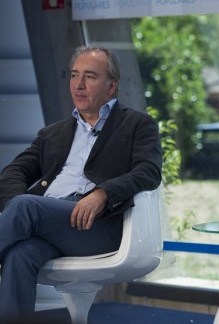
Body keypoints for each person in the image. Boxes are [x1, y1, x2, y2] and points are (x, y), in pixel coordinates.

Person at [0, 45, 162, 322]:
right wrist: (18, 207)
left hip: (98, 225)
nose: (79, 84)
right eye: (75, 76)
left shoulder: (137, 124)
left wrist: (103, 193)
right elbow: (12, 172)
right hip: (50, 218)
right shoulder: (53, 133)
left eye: (90, 76)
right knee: (19, 254)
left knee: (27, 206)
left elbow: (149, 171)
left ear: (111, 86)